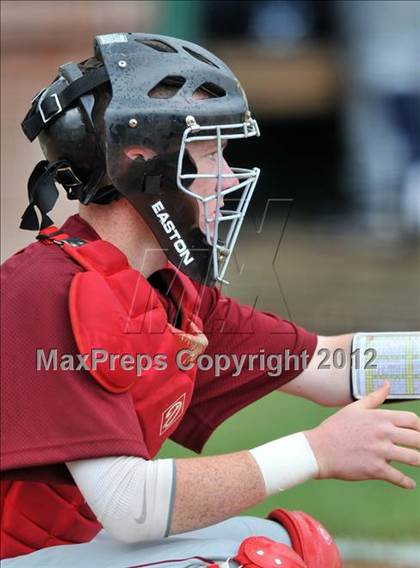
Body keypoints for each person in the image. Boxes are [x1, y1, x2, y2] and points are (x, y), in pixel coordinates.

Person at [1, 32, 419, 568]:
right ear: (141, 163)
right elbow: (131, 505)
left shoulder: (161, 288)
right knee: (255, 561)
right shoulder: (52, 289)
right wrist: (317, 451)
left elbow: (331, 364)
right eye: (211, 152)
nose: (226, 176)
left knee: (295, 546)